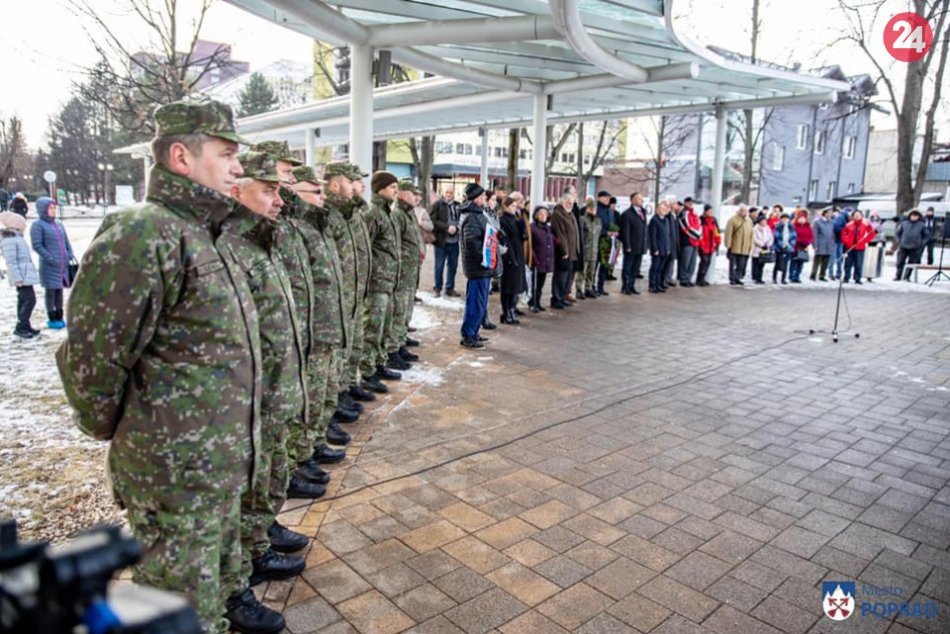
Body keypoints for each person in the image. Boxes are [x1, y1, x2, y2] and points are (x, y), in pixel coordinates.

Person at [56, 100, 281, 634]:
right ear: (181, 156)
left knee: (205, 602)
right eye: (226, 154)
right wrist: (132, 432)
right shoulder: (145, 233)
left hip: (214, 467)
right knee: (177, 613)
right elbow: (92, 361)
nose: (236, 168)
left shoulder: (206, 233)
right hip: (174, 474)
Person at [222, 151, 308, 613]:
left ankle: (256, 548)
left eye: (283, 188)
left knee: (269, 477)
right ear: (237, 191)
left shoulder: (261, 240)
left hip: (273, 393)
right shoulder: (229, 246)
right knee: (242, 494)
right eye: (270, 188)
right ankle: (240, 575)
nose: (280, 197)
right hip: (242, 406)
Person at [361, 171, 404, 385]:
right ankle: (368, 371)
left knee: (384, 327)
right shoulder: (373, 214)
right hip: (377, 282)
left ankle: (379, 363)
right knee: (373, 328)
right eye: (392, 187)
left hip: (388, 282)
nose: (396, 191)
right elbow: (364, 248)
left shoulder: (388, 213)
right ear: (380, 188)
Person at [389, 180, 424, 360]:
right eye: (412, 194)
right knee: (399, 309)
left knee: (406, 307)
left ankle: (401, 339)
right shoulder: (398, 214)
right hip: (402, 271)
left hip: (411, 270)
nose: (415, 197)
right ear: (403, 194)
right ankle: (394, 347)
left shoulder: (408, 213)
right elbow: (397, 242)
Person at [30, 197, 74, 328]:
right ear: (43, 210)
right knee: (51, 292)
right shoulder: (38, 225)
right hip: (49, 265)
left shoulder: (59, 224)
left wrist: (69, 253)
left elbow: (66, 241)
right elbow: (37, 245)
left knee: (59, 291)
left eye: (54, 208)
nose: (53, 210)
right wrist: (49, 258)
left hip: (62, 264)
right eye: (50, 208)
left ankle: (60, 315)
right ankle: (52, 317)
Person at [459, 183, 493, 348]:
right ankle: (468, 335)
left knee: (480, 302)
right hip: (478, 266)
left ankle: (474, 331)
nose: (486, 198)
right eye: (483, 195)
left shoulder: (478, 213)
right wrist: (488, 252)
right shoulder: (472, 216)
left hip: (482, 266)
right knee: (475, 303)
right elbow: (471, 242)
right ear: (477, 198)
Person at [1, 211, 40, 338]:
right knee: (30, 300)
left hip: (25, 275)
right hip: (21, 276)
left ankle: (24, 324)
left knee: (24, 300)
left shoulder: (17, 238)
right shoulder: (10, 240)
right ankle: (21, 326)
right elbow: (11, 262)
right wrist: (17, 278)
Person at [498, 196, 526, 324]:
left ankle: (511, 309)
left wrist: (522, 226)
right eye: (513, 206)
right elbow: (506, 240)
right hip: (509, 256)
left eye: (516, 206)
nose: (515, 209)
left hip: (517, 255)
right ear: (506, 206)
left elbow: (521, 237)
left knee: (514, 286)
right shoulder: (503, 220)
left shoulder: (515, 219)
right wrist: (510, 257)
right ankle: (506, 312)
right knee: (507, 287)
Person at [550, 191, 579, 309]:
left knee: (567, 278)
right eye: (568, 202)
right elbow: (560, 234)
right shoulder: (558, 214)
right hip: (563, 253)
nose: (570, 205)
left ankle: (562, 298)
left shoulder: (571, 214)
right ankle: (556, 299)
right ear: (562, 202)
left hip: (572, 253)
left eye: (571, 203)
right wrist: (564, 251)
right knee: (560, 277)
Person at [430, 185, 460, 297]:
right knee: (439, 266)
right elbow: (432, 220)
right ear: (443, 193)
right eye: (447, 192)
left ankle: (450, 288)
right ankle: (437, 288)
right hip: (441, 241)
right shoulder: (437, 205)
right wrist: (447, 227)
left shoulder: (458, 206)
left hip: (455, 242)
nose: (449, 194)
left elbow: (463, 220)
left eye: (451, 192)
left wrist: (457, 228)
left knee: (453, 266)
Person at [619, 192, 647, 294]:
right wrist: (627, 245)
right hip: (631, 246)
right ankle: (625, 286)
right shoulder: (627, 214)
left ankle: (631, 285)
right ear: (633, 200)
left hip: (640, 246)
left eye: (641, 199)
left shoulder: (642, 212)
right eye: (639, 199)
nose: (642, 200)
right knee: (628, 267)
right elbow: (625, 231)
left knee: (636, 268)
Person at [529, 206, 554, 312]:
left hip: (546, 260)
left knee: (540, 283)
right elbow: (530, 245)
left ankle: (537, 302)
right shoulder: (533, 227)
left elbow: (550, 241)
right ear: (536, 215)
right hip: (537, 260)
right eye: (541, 214)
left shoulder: (547, 228)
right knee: (535, 283)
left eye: (545, 214)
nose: (543, 216)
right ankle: (533, 302)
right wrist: (534, 257)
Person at [894, 209, 931, 281]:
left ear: (918, 217)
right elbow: (897, 233)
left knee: (911, 263)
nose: (914, 217)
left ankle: (907, 276)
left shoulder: (922, 225)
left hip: (915, 248)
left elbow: (927, 236)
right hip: (903, 246)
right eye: (912, 215)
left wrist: (921, 243)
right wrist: (899, 241)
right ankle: (898, 276)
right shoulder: (904, 223)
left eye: (916, 215)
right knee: (900, 262)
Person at [841, 210, 875, 284]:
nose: (857, 216)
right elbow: (843, 234)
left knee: (858, 263)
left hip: (860, 247)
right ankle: (846, 277)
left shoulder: (866, 224)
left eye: (858, 215)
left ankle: (857, 278)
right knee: (848, 263)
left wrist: (864, 241)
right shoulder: (848, 225)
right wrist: (847, 241)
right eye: (855, 215)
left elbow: (871, 234)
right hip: (850, 247)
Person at [724, 205, 753, 285]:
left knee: (741, 264)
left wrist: (750, 245)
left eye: (745, 211)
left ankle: (738, 277)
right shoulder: (733, 220)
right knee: (733, 264)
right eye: (742, 211)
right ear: (739, 211)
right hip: (735, 246)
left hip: (745, 247)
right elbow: (728, 234)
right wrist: (728, 245)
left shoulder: (749, 221)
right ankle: (732, 278)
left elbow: (751, 233)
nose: (744, 213)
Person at [648, 200, 673, 293]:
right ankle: (652, 285)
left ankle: (658, 284)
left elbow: (668, 235)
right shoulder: (654, 220)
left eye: (665, 209)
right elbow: (653, 236)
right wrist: (655, 248)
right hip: (658, 249)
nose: (664, 210)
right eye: (662, 208)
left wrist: (668, 247)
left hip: (665, 248)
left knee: (661, 269)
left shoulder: (666, 220)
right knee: (655, 268)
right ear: (657, 209)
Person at [677, 196, 702, 287]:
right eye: (689, 203)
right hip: (687, 241)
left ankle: (688, 278)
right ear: (686, 203)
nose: (691, 204)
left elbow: (699, 224)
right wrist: (697, 235)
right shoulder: (684, 213)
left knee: (692, 262)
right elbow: (686, 227)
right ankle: (683, 279)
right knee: (685, 262)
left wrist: (699, 234)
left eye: (692, 203)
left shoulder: (694, 213)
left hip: (694, 241)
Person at [579, 199, 601, 299]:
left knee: (591, 272)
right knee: (582, 272)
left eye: (594, 209)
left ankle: (589, 288)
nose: (593, 210)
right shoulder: (583, 219)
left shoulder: (598, 220)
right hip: (585, 250)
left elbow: (598, 235)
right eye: (591, 208)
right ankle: (579, 289)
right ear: (587, 208)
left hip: (594, 250)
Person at [695, 203, 720, 287]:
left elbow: (716, 232)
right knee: (704, 262)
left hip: (710, 245)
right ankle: (699, 279)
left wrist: (717, 242)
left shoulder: (713, 220)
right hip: (703, 244)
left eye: (711, 211)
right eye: (709, 211)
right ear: (705, 211)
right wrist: (700, 244)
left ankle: (703, 278)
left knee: (708, 262)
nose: (710, 212)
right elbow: (699, 232)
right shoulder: (701, 219)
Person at [811, 207, 834, 281]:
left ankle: (822, 275)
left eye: (830, 213)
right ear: (824, 213)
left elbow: (832, 234)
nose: (830, 214)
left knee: (826, 260)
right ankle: (813, 274)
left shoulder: (831, 222)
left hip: (829, 244)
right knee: (817, 260)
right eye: (828, 213)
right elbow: (814, 234)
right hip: (820, 243)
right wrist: (815, 245)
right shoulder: (817, 222)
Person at [789, 210, 813, 283]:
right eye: (800, 218)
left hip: (804, 247)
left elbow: (811, 236)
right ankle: (791, 276)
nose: (802, 220)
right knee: (794, 262)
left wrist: (807, 243)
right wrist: (799, 241)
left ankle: (797, 276)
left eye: (803, 218)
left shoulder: (808, 226)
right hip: (796, 246)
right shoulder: (794, 226)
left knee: (801, 262)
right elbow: (793, 236)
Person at [772, 213, 796, 284]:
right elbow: (776, 236)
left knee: (786, 264)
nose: (785, 220)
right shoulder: (778, 226)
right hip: (779, 248)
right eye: (783, 218)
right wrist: (781, 245)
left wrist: (790, 244)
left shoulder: (791, 227)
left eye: (787, 218)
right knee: (777, 263)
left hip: (788, 247)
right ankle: (774, 278)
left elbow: (793, 236)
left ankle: (783, 278)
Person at [750, 214, 774, 284]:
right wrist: (762, 244)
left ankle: (760, 277)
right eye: (763, 221)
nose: (764, 222)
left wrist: (768, 244)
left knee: (762, 265)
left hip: (765, 249)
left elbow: (771, 237)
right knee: (756, 264)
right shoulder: (755, 229)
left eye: (765, 221)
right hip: (757, 249)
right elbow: (754, 239)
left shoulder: (768, 228)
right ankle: (756, 277)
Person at [663, 200, 682, 286]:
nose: (677, 206)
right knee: (667, 261)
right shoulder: (668, 216)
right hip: (669, 242)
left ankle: (669, 277)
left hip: (674, 242)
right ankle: (665, 278)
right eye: (675, 204)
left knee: (672, 260)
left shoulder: (675, 216)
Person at [863, 210, 885, 282]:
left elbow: (881, 232)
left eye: (876, 216)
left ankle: (872, 274)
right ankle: (867, 273)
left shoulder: (880, 223)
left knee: (874, 258)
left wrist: (882, 240)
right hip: (868, 241)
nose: (875, 217)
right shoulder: (867, 223)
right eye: (873, 216)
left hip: (876, 241)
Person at [832, 207, 851, 279]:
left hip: (840, 240)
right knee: (837, 257)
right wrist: (845, 232)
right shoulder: (841, 218)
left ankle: (838, 273)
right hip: (837, 240)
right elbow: (837, 228)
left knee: (838, 257)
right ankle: (836, 273)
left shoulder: (843, 217)